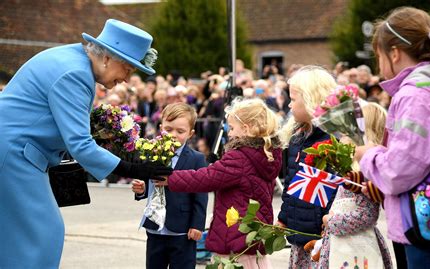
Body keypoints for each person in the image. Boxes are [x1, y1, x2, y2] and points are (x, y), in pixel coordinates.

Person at [0, 19, 172, 268]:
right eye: (127, 69)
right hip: (14, 154)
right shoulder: (76, 74)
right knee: (44, 232)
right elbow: (81, 145)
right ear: (107, 58)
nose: (125, 78)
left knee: (13, 234)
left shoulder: (72, 59)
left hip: (13, 149)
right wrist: (134, 169)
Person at [355, 7, 430, 269]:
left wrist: (368, 155)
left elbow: (399, 170)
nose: (378, 64)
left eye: (378, 55)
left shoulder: (414, 96)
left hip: (422, 223)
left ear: (394, 53)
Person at [156, 98, 282, 268]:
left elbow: (207, 177)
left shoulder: (240, 157)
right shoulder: (267, 154)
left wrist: (170, 178)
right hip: (253, 234)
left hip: (236, 237)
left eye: (231, 128)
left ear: (245, 129)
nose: (229, 133)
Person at [131, 103, 208, 269]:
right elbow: (147, 182)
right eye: (169, 129)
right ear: (160, 128)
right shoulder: (151, 152)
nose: (173, 135)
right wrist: (141, 190)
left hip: (182, 229)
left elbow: (201, 194)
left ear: (191, 133)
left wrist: (197, 224)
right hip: (154, 227)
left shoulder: (197, 158)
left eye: (180, 131)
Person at [317, 102, 393, 269]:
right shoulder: (353, 167)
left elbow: (366, 216)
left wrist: (330, 220)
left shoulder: (367, 170)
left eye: (349, 128)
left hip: (356, 249)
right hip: (342, 245)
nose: (344, 134)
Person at [277, 65, 337, 269]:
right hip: (299, 233)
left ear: (311, 99)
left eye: (293, 100)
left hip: (320, 236)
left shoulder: (333, 141)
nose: (289, 106)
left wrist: (326, 228)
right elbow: (292, 184)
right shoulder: (297, 139)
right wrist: (284, 218)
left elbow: (335, 189)